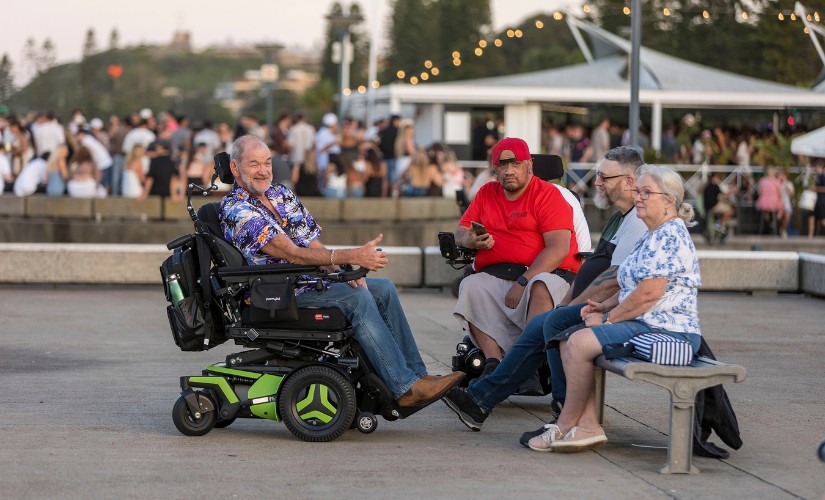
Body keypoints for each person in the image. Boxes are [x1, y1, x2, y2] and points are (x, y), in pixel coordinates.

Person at [220, 135, 463, 408]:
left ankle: (417, 377)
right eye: (254, 164)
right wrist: (353, 255)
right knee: (355, 300)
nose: (263, 171)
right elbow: (292, 253)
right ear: (235, 168)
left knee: (382, 288)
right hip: (276, 295)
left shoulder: (280, 194)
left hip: (306, 283)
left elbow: (311, 243)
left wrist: (344, 271)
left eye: (267, 163)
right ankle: (404, 387)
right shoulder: (237, 210)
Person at [442, 146, 647, 436]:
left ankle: (493, 402)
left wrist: (578, 307)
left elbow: (624, 282)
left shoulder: (641, 223)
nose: (596, 182)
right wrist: (574, 304)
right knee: (550, 324)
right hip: (598, 304)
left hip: (621, 315)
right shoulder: (624, 219)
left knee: (553, 325)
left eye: (603, 177)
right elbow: (606, 272)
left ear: (629, 181)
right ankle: (563, 416)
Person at [528, 164, 701, 452]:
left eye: (647, 192)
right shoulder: (653, 233)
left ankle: (567, 424)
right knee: (567, 336)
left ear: (669, 200)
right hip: (647, 323)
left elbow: (649, 294)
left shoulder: (670, 234)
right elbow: (632, 286)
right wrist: (603, 304)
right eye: (638, 191)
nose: (638, 198)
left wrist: (608, 320)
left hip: (669, 330)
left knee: (580, 341)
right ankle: (587, 424)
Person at [451, 137, 581, 394]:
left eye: (516, 164)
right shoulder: (487, 192)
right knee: (471, 285)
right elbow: (460, 230)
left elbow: (558, 248)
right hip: (497, 272)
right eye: (502, 165)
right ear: (495, 169)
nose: (509, 170)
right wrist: (471, 239)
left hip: (547, 273)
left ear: (529, 166)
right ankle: (493, 362)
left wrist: (523, 282)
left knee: (541, 286)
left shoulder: (549, 195)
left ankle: (527, 366)